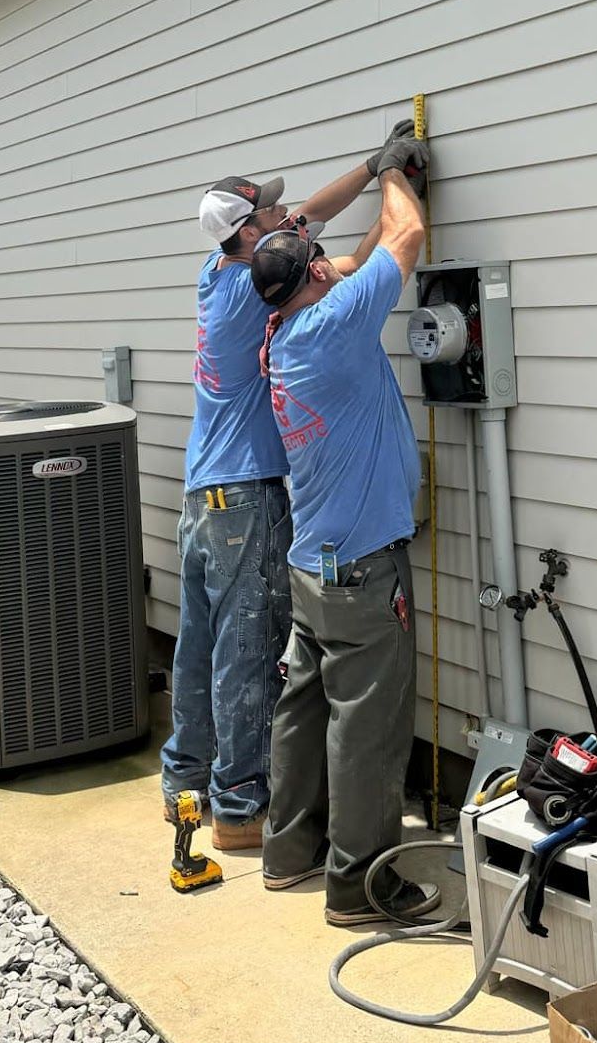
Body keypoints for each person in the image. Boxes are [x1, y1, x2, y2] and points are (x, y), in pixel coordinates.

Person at [161, 125, 421, 852]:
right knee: (245, 652)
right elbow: (344, 256)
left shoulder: (220, 276)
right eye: (270, 213)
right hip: (245, 497)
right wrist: (392, 184)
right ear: (247, 235)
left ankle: (185, 783)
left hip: (202, 495)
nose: (288, 216)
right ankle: (239, 809)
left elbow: (323, 245)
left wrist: (375, 167)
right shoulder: (255, 292)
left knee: (200, 645)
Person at [250, 144, 435, 927]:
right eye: (322, 260)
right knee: (367, 727)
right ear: (314, 278)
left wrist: (343, 248)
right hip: (361, 571)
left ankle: (289, 851)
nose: (330, 263)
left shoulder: (285, 334)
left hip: (312, 567)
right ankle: (360, 888)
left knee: (303, 709)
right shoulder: (331, 330)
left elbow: (353, 271)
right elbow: (406, 238)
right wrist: (394, 172)